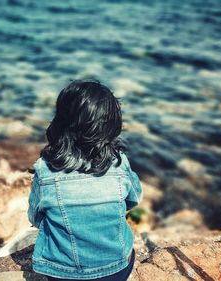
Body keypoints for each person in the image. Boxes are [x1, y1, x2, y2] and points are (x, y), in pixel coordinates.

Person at [27, 79, 143, 280]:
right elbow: (133, 199)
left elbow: (35, 217)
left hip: (62, 275)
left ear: (61, 122)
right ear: (112, 125)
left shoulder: (45, 169)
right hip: (115, 270)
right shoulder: (119, 163)